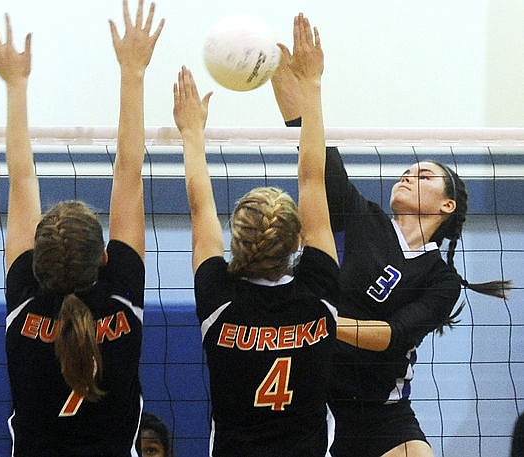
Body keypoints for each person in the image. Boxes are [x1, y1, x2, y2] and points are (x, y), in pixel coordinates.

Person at [271, 32, 512, 457]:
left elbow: (393, 336)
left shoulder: (442, 280)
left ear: (447, 205)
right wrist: (275, 68)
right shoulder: (362, 217)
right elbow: (313, 146)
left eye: (424, 176)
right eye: (407, 170)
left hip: (377, 414)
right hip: (310, 396)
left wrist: (318, 322)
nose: (408, 176)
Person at [0, 2, 163, 455]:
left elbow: (22, 180)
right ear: (103, 256)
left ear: (36, 262)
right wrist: (133, 72)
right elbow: (128, 175)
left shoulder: (25, 307)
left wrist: (15, 85)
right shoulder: (121, 298)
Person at [173, 14, 339, 457]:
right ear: (300, 241)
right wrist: (312, 85)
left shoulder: (219, 299)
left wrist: (192, 134)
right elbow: (314, 182)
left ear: (235, 240)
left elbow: (199, 207)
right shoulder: (318, 291)